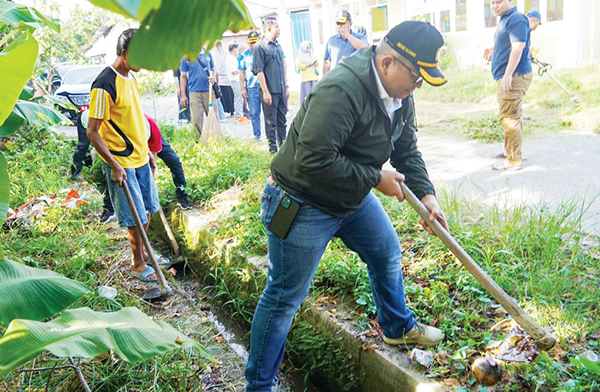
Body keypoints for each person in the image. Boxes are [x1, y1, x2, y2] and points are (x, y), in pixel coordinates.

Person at [245, 21, 449, 391]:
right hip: (301, 200)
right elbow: (312, 160)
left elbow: (406, 149)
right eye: (416, 77)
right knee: (283, 299)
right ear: (387, 63)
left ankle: (397, 327)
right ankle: (259, 385)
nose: (417, 86)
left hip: (349, 195)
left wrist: (427, 194)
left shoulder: (401, 92)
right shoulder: (341, 88)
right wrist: (374, 177)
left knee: (385, 250)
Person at [86, 28, 163, 283]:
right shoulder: (104, 84)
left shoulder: (130, 77)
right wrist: (114, 165)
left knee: (148, 212)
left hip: (140, 157)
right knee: (134, 218)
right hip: (122, 161)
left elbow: (135, 117)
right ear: (123, 53)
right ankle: (138, 263)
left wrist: (149, 151)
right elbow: (92, 132)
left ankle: (147, 254)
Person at [490, 0, 533, 171]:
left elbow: (518, 47)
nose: (494, 5)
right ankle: (511, 151)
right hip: (510, 76)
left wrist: (507, 74)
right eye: (492, 2)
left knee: (509, 118)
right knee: (513, 115)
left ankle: (514, 160)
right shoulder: (506, 19)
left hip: (514, 77)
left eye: (498, 1)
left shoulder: (515, 19)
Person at [253, 17, 288, 153]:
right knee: (271, 123)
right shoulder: (259, 46)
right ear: (268, 29)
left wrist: (287, 87)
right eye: (276, 27)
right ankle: (273, 150)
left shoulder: (277, 46)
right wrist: (265, 91)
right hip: (269, 91)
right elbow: (259, 71)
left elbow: (282, 66)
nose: (278, 30)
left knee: (282, 120)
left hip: (280, 90)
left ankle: (284, 148)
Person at [179, 48, 215, 139]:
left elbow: (213, 70)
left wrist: (213, 77)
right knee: (196, 120)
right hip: (194, 92)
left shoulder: (208, 53)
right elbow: (183, 76)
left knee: (214, 117)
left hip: (209, 91)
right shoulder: (185, 57)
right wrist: (183, 95)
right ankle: (199, 142)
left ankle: (215, 140)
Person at [323, 11, 368, 75]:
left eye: (343, 23)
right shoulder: (331, 41)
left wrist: (347, 35)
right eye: (338, 23)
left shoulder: (359, 37)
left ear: (350, 23)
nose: (340, 26)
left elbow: (364, 48)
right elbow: (327, 63)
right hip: (336, 78)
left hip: (353, 78)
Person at [240, 31, 263, 140]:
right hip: (252, 88)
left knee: (269, 114)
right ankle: (257, 136)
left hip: (265, 87)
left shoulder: (264, 52)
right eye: (251, 43)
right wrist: (242, 88)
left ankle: (271, 136)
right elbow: (241, 72)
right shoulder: (244, 56)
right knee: (254, 113)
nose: (253, 45)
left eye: (255, 42)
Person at [227, 43, 250, 124]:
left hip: (238, 80)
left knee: (240, 99)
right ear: (234, 50)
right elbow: (233, 71)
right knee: (238, 99)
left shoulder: (234, 58)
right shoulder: (230, 59)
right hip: (235, 81)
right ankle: (239, 116)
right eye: (237, 49)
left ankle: (240, 115)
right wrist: (242, 70)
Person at [213, 41, 235, 116]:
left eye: (220, 46)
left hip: (227, 76)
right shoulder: (215, 55)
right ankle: (225, 111)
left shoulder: (226, 54)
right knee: (223, 95)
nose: (219, 48)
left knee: (230, 94)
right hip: (220, 77)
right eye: (218, 46)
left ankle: (232, 110)